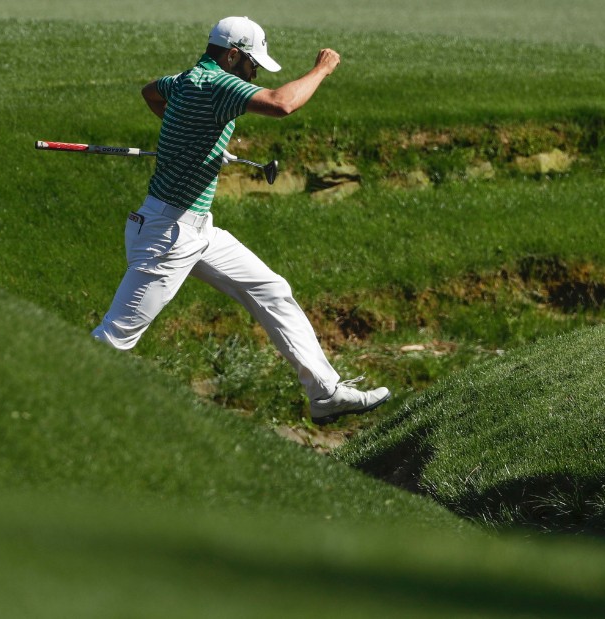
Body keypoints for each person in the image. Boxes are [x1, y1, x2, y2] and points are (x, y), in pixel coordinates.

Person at [91, 16, 390, 425]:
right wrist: (322, 69)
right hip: (167, 236)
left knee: (272, 289)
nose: (253, 74)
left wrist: (194, 137)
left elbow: (151, 93)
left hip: (197, 229)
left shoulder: (184, 80)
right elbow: (282, 103)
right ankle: (43, 397)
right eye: (252, 65)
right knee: (115, 336)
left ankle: (325, 394)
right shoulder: (219, 84)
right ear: (232, 55)